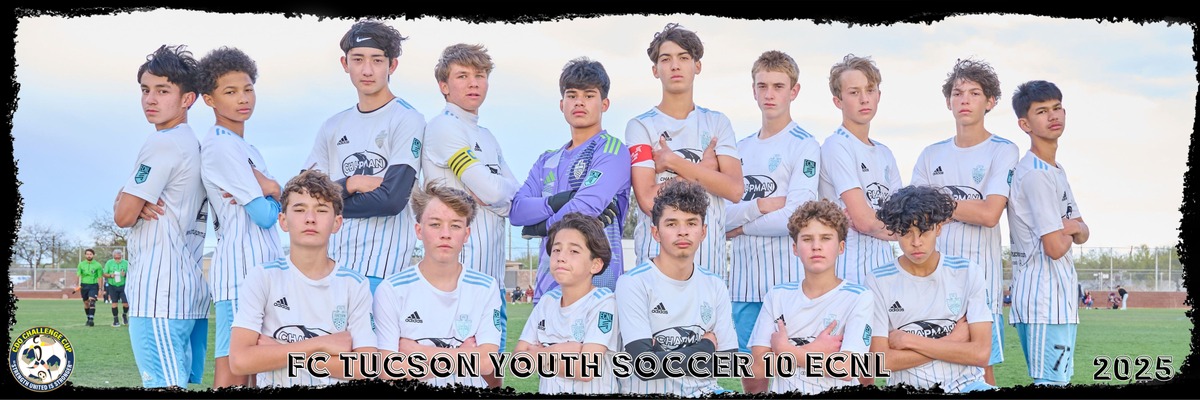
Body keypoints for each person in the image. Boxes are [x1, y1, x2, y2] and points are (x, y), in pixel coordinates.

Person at [909, 58, 1019, 386]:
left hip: (981, 281)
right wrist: (955, 206)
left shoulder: (1003, 150)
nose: (965, 100)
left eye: (974, 93)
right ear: (948, 102)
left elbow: (989, 214)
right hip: (931, 278)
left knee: (981, 369)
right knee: (927, 366)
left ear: (990, 102)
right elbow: (915, 213)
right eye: (958, 93)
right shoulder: (931, 154)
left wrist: (937, 202)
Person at [302, 20, 425, 294]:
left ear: (392, 65)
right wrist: (350, 183)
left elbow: (392, 199)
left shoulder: (407, 119)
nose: (367, 70)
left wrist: (328, 203)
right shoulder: (332, 126)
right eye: (358, 59)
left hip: (381, 271)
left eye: (377, 60)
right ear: (345, 64)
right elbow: (305, 195)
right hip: (329, 268)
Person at [113, 44, 211, 388]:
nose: (150, 99)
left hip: (159, 294)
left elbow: (124, 216)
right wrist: (131, 200)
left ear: (188, 99)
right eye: (145, 90)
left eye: (163, 90)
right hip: (186, 290)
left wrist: (125, 197)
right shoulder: (193, 143)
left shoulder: (164, 143)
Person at [421, 43, 518, 387]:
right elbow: (495, 192)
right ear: (444, 86)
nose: (473, 82)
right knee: (452, 378)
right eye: (462, 76)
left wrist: (494, 197)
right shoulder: (443, 127)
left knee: (492, 379)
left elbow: (513, 196)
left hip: (491, 281)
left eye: (480, 75)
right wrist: (495, 196)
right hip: (455, 283)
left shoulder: (487, 137)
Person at [228, 169, 377, 387]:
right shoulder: (263, 277)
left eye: (321, 210)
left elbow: (366, 367)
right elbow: (239, 361)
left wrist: (279, 353)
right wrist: (322, 344)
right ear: (283, 220)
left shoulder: (354, 284)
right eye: (299, 209)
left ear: (337, 223)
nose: (310, 219)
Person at [724, 50, 821, 369]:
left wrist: (742, 225)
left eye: (778, 86)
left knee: (789, 372)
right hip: (742, 284)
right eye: (762, 86)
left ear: (794, 91)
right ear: (753, 90)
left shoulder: (804, 144)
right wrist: (762, 205)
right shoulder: (738, 149)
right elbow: (721, 217)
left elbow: (795, 216)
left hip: (788, 283)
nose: (769, 94)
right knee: (747, 374)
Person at [625, 23, 743, 283]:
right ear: (655, 70)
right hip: (654, 266)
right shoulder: (641, 126)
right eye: (666, 59)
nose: (675, 66)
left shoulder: (717, 123)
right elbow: (647, 200)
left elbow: (735, 190)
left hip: (708, 266)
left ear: (697, 66)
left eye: (684, 58)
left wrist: (673, 162)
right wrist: (704, 171)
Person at [197, 45, 284, 388]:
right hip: (239, 272)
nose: (243, 98)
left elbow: (271, 206)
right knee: (233, 370)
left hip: (262, 268)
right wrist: (274, 190)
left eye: (248, 89)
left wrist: (272, 190)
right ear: (209, 99)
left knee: (257, 371)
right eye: (230, 92)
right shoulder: (221, 145)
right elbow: (264, 215)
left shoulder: (247, 147)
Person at [510, 57, 630, 305]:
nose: (579, 102)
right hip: (548, 283)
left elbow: (586, 207)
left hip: (598, 286)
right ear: (561, 104)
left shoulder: (612, 150)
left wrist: (538, 228)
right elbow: (517, 211)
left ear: (604, 103)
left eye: (589, 95)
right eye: (572, 95)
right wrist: (557, 201)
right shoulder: (547, 160)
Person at [372, 181, 504, 389]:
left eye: (455, 225)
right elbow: (388, 371)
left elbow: (487, 363)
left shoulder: (486, 287)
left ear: (466, 234)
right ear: (419, 230)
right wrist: (462, 356)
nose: (445, 234)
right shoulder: (392, 290)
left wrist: (420, 352)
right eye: (435, 224)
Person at [865, 185, 993, 393]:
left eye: (923, 231)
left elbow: (981, 354)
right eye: (906, 233)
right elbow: (881, 362)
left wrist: (909, 340)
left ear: (938, 228)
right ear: (895, 232)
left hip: (967, 385)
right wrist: (952, 341)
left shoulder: (968, 272)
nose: (916, 242)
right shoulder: (878, 281)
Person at [615, 179, 737, 396]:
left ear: (703, 231)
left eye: (691, 223)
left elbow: (727, 363)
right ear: (656, 233)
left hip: (704, 391)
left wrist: (662, 356)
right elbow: (646, 366)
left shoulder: (715, 284)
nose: (682, 232)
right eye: (671, 224)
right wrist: (706, 347)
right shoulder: (634, 283)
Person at [1007, 80, 1089, 386]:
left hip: (1059, 299)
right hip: (1042, 299)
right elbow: (1054, 246)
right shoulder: (1035, 175)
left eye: (1057, 108)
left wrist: (1071, 226)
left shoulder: (1055, 170)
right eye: (1042, 111)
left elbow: (1083, 230)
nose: (1053, 115)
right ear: (1025, 124)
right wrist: (1071, 228)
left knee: (1058, 382)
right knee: (1050, 384)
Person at [744, 199, 874, 394]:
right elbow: (758, 368)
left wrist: (786, 350)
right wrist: (815, 349)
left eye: (826, 238)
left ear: (841, 247)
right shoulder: (778, 295)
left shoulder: (858, 297)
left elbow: (848, 368)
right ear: (795, 248)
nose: (816, 246)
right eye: (807, 239)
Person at [514, 212, 621, 394]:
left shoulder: (603, 302)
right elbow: (519, 362)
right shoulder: (547, 301)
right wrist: (562, 349)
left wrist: (538, 354)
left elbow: (587, 368)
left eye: (574, 251)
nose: (561, 257)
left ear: (595, 265)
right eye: (556, 250)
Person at [818, 54, 901, 285]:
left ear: (878, 95)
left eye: (870, 90)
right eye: (854, 92)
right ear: (838, 101)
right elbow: (863, 220)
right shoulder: (836, 145)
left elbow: (903, 222)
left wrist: (875, 224)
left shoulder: (885, 153)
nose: (864, 99)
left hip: (886, 275)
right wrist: (876, 224)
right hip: (847, 275)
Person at [76, 249, 104, 327]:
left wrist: (100, 288)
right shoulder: (81, 264)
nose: (89, 255)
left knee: (92, 301)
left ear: (93, 255)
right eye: (87, 254)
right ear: (85, 255)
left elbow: (100, 277)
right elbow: (78, 275)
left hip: (93, 285)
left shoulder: (98, 265)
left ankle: (91, 319)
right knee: (86, 303)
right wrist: (77, 285)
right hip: (84, 285)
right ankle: (88, 318)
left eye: (90, 254)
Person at [103, 249, 130, 327]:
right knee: (114, 303)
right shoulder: (109, 263)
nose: (117, 259)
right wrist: (110, 275)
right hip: (112, 285)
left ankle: (124, 315)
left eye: (119, 258)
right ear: (113, 257)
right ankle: (116, 320)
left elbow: (131, 274)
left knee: (126, 303)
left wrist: (125, 274)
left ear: (122, 256)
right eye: (116, 258)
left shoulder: (126, 263)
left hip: (123, 285)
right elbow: (104, 274)